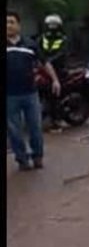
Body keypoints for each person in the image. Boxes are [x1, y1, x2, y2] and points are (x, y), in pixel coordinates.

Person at [7, 10, 61, 171]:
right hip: (9, 96)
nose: (8, 25)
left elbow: (45, 63)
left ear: (19, 25)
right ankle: (22, 160)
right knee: (14, 130)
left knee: (35, 127)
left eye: (11, 22)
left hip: (30, 93)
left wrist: (55, 80)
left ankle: (37, 157)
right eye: (6, 23)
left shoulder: (30, 44)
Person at [39, 14, 69, 130]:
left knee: (54, 94)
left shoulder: (63, 39)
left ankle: (57, 119)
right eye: (50, 25)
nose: (52, 27)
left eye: (54, 25)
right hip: (43, 68)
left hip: (58, 69)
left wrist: (49, 61)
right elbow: (37, 49)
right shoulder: (42, 38)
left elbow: (63, 53)